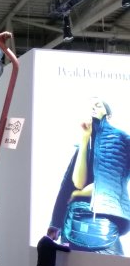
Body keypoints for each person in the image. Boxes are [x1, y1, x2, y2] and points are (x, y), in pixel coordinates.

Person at [50, 98, 130, 255]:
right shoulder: (84, 144)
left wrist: (79, 193)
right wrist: (55, 223)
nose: (93, 108)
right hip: (74, 221)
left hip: (106, 222)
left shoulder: (122, 140)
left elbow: (110, 185)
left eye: (98, 105)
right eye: (91, 106)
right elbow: (71, 184)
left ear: (109, 115)